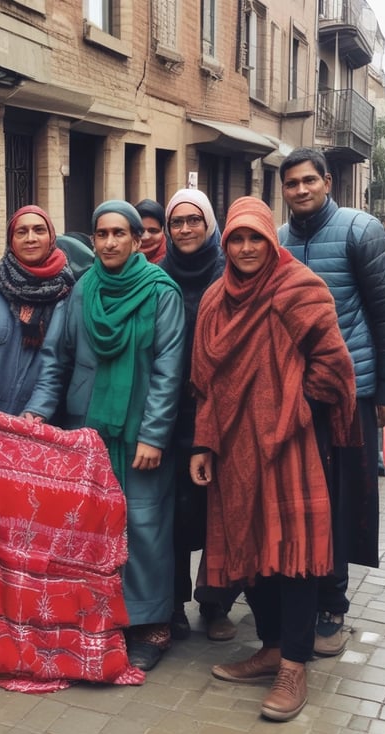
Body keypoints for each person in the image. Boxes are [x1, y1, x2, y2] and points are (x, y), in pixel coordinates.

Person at [189, 196, 356, 721]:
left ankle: (295, 664)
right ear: (226, 242)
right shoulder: (216, 299)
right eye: (236, 238)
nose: (244, 248)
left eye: (255, 238)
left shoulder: (300, 288)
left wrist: (289, 405)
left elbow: (332, 365)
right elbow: (206, 384)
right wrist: (203, 442)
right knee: (249, 545)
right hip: (233, 447)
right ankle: (269, 647)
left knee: (295, 554)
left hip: (289, 444)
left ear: (270, 239)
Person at [25, 200, 185, 671]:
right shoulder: (81, 291)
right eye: (101, 234)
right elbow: (56, 358)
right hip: (87, 432)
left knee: (144, 527)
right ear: (92, 240)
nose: (110, 242)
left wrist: (154, 436)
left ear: (139, 240)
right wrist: (38, 412)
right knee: (93, 526)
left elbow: (169, 370)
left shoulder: (161, 293)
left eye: (120, 233)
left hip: (140, 435)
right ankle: (102, 614)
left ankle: (152, 624)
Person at [278, 148, 385, 656]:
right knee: (304, 497)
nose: (301, 190)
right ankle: (300, 593)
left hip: (353, 392)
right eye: (291, 183)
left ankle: (333, 603)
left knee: (344, 497)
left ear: (327, 181)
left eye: (310, 180)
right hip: (295, 395)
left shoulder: (360, 230)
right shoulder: (279, 240)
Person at [158, 189, 239, 643]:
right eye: (177, 222)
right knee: (169, 512)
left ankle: (215, 604)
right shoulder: (156, 276)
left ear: (210, 223)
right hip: (170, 413)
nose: (185, 229)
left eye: (194, 220)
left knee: (217, 512)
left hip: (222, 412)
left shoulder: (229, 272)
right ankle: (170, 604)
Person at [0, 205, 75, 417]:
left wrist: (38, 408)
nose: (30, 238)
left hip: (41, 420)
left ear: (51, 237)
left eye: (39, 230)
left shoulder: (67, 290)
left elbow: (61, 360)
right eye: (22, 232)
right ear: (11, 240)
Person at [134, 199, 167, 264]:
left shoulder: (177, 260)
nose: (146, 237)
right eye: (140, 231)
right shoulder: (117, 261)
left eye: (153, 231)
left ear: (163, 231)